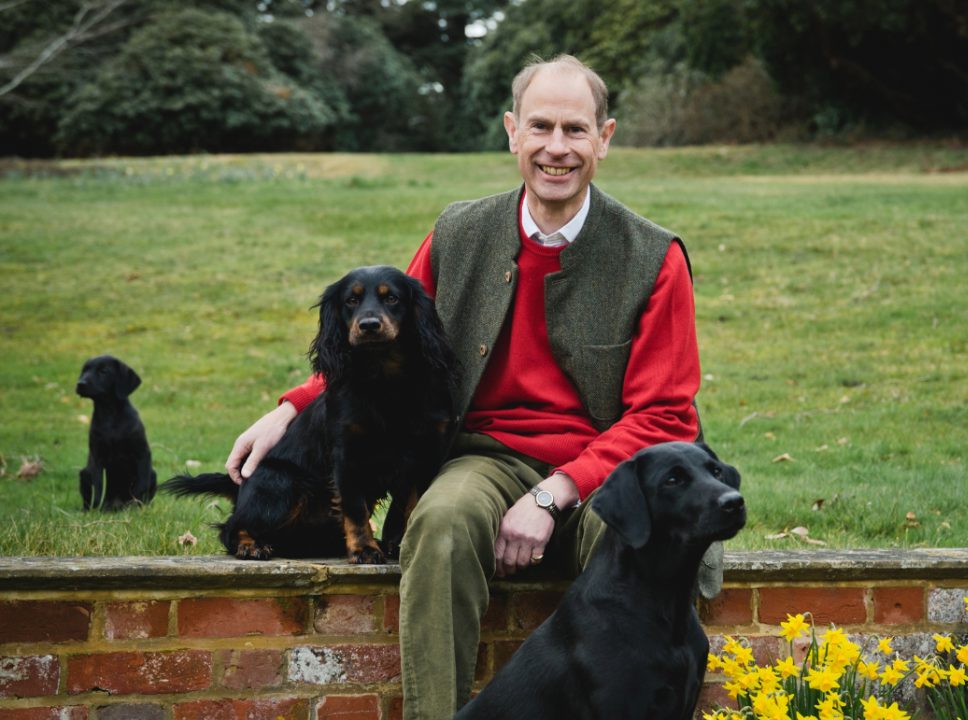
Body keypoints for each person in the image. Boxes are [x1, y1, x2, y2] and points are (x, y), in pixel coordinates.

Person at [225, 54, 702, 719]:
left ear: (605, 137)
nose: (555, 148)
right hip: (482, 454)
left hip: (606, 466)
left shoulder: (653, 256)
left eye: (574, 129)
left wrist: (554, 493)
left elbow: (665, 415)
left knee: (639, 544)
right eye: (540, 127)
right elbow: (386, 339)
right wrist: (294, 406)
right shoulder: (460, 231)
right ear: (512, 132)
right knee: (440, 524)